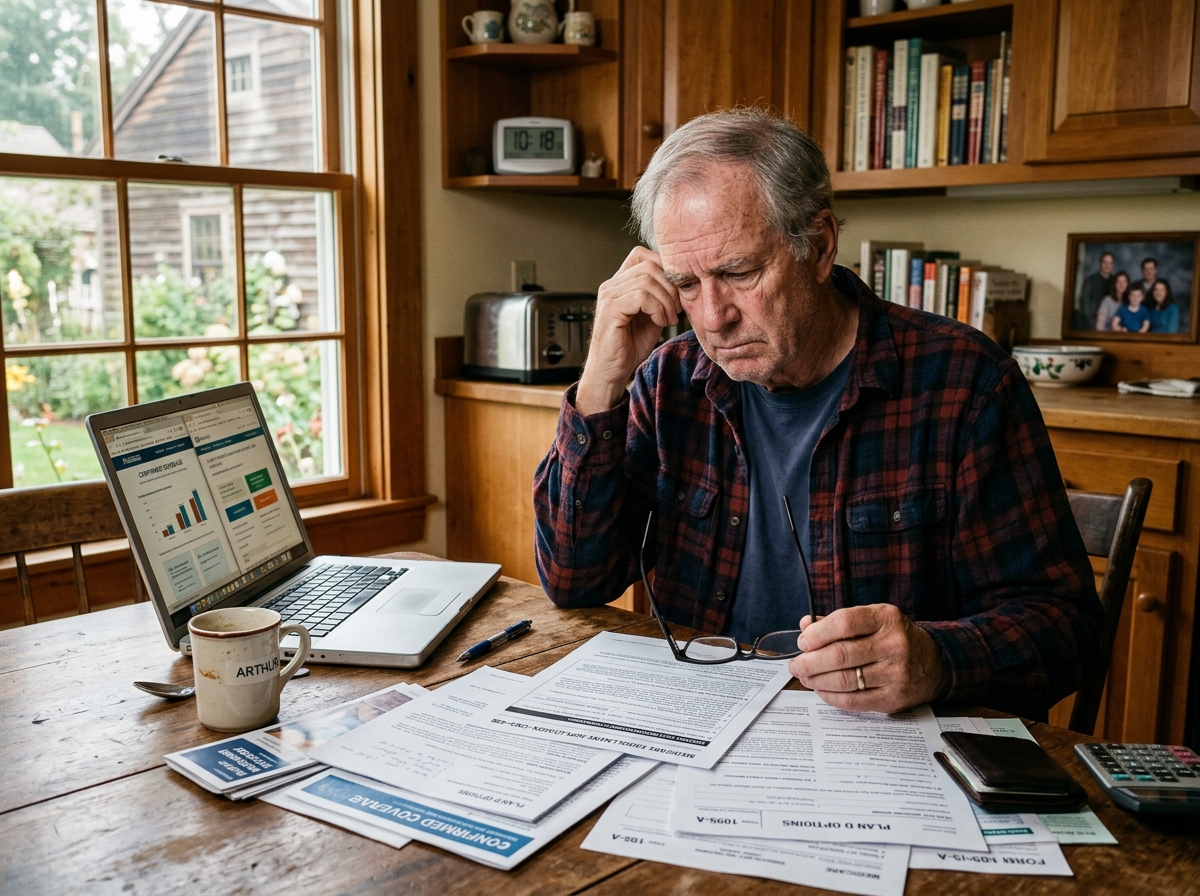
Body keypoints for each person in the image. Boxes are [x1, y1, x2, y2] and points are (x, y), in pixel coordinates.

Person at [533, 109, 1101, 720]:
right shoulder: (667, 379)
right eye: (686, 284)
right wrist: (600, 384)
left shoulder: (965, 383)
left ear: (821, 246)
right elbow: (574, 580)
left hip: (886, 750)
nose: (713, 317)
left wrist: (938, 658)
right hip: (699, 725)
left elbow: (1064, 628)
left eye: (739, 272)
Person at [1076, 251, 1114, 330]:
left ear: (1113, 265)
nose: (1107, 265)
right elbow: (1085, 305)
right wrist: (1092, 324)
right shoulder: (1090, 281)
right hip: (1093, 323)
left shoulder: (1116, 281)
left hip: (1111, 324)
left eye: (1110, 263)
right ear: (1100, 263)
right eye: (1105, 262)